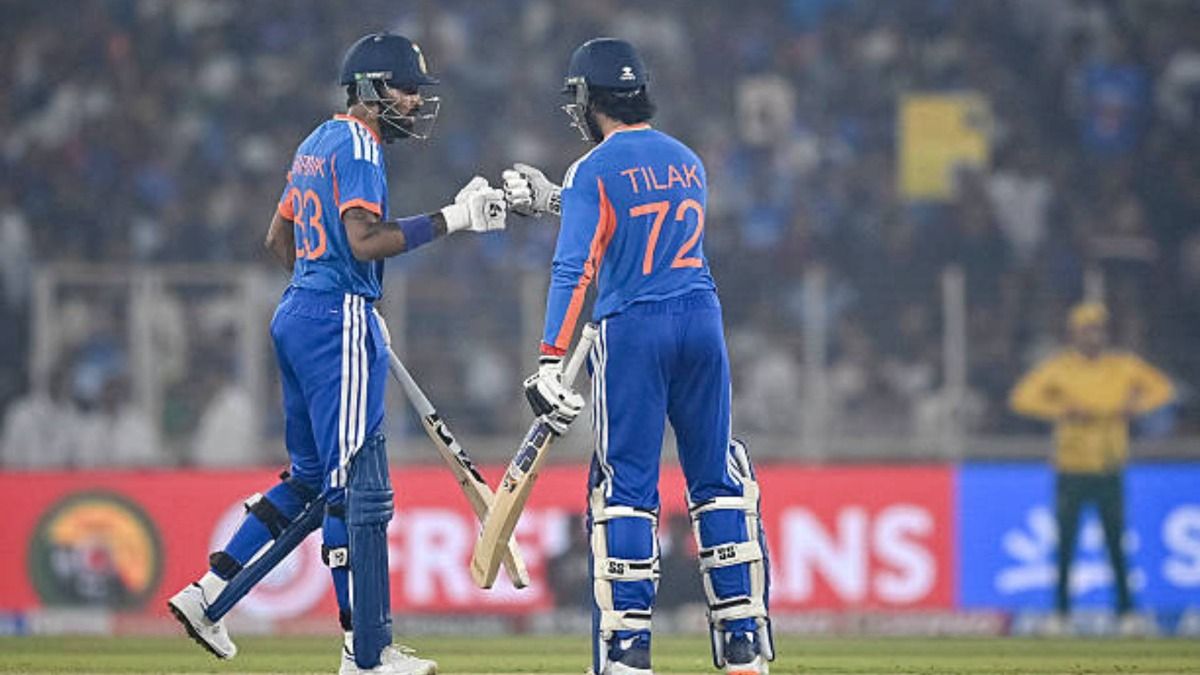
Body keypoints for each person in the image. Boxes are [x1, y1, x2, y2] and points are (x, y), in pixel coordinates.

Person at [167, 33, 507, 675]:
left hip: (297, 313)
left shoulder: (313, 143)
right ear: (373, 88)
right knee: (355, 492)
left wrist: (320, 285)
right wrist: (453, 220)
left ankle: (209, 593)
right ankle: (366, 655)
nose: (413, 102)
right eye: (406, 88)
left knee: (308, 480)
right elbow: (365, 240)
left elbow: (277, 238)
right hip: (333, 321)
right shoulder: (360, 144)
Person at [504, 38, 773, 675]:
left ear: (588, 100)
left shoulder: (592, 169)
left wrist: (549, 359)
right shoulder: (687, 160)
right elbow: (636, 220)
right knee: (716, 484)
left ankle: (628, 652)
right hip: (702, 322)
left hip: (635, 329)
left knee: (627, 491)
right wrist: (557, 199)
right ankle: (742, 648)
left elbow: (578, 265)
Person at [1009, 302, 1173, 634]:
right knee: (1066, 546)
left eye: (1097, 328)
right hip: (1071, 468)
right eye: (1086, 329)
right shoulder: (1061, 369)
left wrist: (1135, 406)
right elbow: (1022, 398)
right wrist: (1062, 409)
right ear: (1074, 333)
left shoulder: (1122, 366)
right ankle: (1061, 614)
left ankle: (1126, 614)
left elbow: (1162, 389)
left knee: (1115, 544)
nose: (1092, 335)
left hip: (1109, 466)